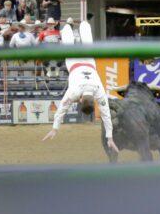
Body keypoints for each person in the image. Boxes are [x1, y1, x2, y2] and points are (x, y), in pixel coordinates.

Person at [41, 21, 119, 154]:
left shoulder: (99, 93)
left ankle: (84, 24)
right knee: (69, 44)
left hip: (89, 63)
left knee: (87, 43)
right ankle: (68, 28)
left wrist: (110, 137)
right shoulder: (73, 93)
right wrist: (54, 129)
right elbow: (61, 110)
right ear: (81, 100)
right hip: (74, 64)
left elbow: (106, 116)